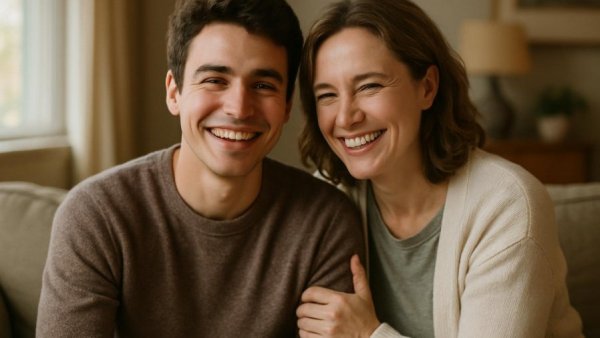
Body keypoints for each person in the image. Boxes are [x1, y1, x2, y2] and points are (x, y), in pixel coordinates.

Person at [36, 0, 364, 336]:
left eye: (263, 85)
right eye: (215, 80)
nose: (238, 108)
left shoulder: (326, 222)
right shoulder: (96, 215)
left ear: (286, 106)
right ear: (174, 92)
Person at [295, 0, 583, 337]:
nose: (345, 117)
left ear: (427, 87)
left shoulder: (507, 205)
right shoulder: (327, 199)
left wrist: (367, 334)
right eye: (327, 95)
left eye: (369, 86)